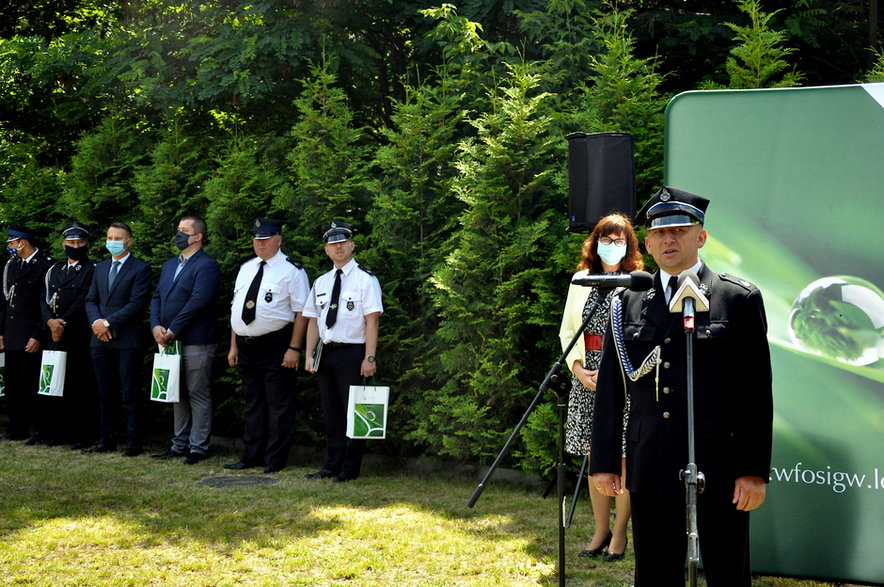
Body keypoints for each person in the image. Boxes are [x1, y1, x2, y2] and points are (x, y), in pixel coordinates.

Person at [590, 187, 773, 586]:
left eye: (679, 231)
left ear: (700, 237)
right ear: (649, 244)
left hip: (720, 463)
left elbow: (755, 393)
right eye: (659, 233)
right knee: (655, 571)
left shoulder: (736, 298)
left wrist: (753, 471)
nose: (669, 240)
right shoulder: (626, 302)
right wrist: (604, 462)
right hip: (651, 461)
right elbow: (610, 390)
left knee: (727, 570)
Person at [558, 213, 643, 561]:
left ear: (630, 246)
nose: (611, 246)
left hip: (624, 381)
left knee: (622, 461)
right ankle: (600, 530)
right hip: (588, 380)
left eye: (618, 240)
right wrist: (578, 369)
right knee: (597, 460)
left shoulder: (638, 282)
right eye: (605, 240)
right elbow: (567, 330)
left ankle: (620, 534)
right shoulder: (581, 279)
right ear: (594, 244)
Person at [225, 218, 309, 474]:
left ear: (278, 240)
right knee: (253, 402)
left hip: (276, 344)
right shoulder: (247, 268)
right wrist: (233, 346)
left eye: (265, 238)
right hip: (245, 344)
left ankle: (275, 459)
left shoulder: (292, 270)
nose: (259, 243)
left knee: (278, 404)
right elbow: (236, 310)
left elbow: (302, 313)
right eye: (256, 238)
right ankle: (251, 455)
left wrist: (294, 348)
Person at [303, 221, 382, 483]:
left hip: (353, 353)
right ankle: (331, 464)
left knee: (353, 412)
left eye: (342, 242)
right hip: (326, 353)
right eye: (332, 244)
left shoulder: (365, 280)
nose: (338, 247)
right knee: (332, 412)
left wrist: (369, 357)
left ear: (352, 245)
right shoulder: (321, 282)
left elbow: (372, 321)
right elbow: (313, 320)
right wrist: (309, 355)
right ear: (326, 250)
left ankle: (350, 468)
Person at [150, 216, 221, 465]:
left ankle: (198, 447)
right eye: (178, 229)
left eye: (184, 231)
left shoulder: (207, 265)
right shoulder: (170, 264)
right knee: (176, 392)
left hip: (195, 340)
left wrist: (173, 329)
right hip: (170, 341)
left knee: (197, 393)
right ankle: (179, 444)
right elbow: (157, 296)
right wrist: (156, 325)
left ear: (198, 236)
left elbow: (197, 302)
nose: (179, 234)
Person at [84, 221, 152, 456]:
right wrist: (97, 323)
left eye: (117, 238)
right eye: (109, 237)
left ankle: (134, 442)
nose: (112, 242)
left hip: (127, 341)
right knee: (105, 393)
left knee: (130, 392)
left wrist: (108, 323)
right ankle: (107, 439)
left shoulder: (140, 268)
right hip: (100, 340)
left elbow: (137, 303)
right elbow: (91, 299)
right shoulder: (100, 267)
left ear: (128, 241)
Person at [40, 222, 98, 447]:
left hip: (76, 334)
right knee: (54, 383)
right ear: (64, 244)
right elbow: (43, 299)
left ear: (86, 244)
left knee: (79, 385)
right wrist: (50, 321)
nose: (75, 246)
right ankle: (57, 431)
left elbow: (85, 299)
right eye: (71, 242)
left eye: (80, 242)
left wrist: (62, 323)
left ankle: (83, 435)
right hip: (53, 333)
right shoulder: (53, 270)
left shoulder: (91, 269)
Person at [0, 224, 54, 441]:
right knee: (13, 386)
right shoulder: (11, 266)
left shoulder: (45, 265)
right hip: (12, 334)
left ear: (23, 242)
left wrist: (38, 335)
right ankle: (16, 429)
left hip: (32, 335)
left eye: (12, 242)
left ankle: (40, 429)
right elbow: (5, 302)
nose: (10, 247)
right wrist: (1, 332)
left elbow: (46, 304)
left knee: (33, 385)